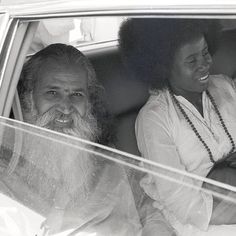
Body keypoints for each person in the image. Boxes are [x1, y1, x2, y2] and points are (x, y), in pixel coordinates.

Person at [1, 43, 142, 235]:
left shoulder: (108, 161)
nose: (66, 109)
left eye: (76, 95)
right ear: (30, 97)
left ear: (88, 102)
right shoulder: (7, 175)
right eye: (52, 93)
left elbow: (146, 211)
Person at [119, 18, 236, 236]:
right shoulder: (154, 119)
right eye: (191, 60)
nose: (205, 63)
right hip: (199, 221)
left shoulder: (224, 86)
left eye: (205, 51)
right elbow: (181, 201)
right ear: (163, 66)